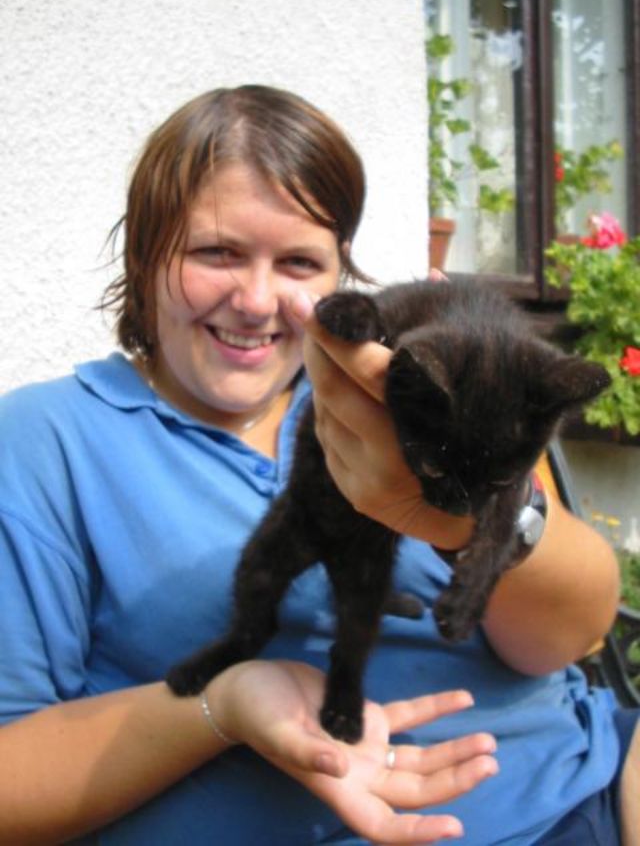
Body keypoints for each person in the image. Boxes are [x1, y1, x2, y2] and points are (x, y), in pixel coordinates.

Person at [0, 84, 633, 845]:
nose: (257, 300)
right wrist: (226, 704)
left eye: (299, 261)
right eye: (216, 252)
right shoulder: (46, 441)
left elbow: (574, 634)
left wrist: (461, 522)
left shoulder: (410, 387)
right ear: (145, 255)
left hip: (587, 793)